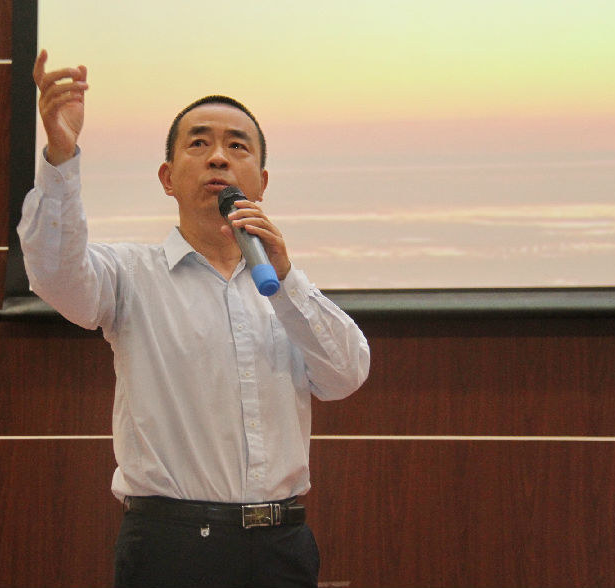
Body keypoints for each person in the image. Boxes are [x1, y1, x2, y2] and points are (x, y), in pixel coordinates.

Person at [19, 49, 371, 588]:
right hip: (171, 547)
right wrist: (61, 157)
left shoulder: (283, 289)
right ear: (167, 177)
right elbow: (54, 273)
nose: (219, 158)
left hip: (281, 546)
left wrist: (286, 278)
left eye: (237, 146)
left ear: (261, 181)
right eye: (199, 143)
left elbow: (346, 375)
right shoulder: (129, 275)